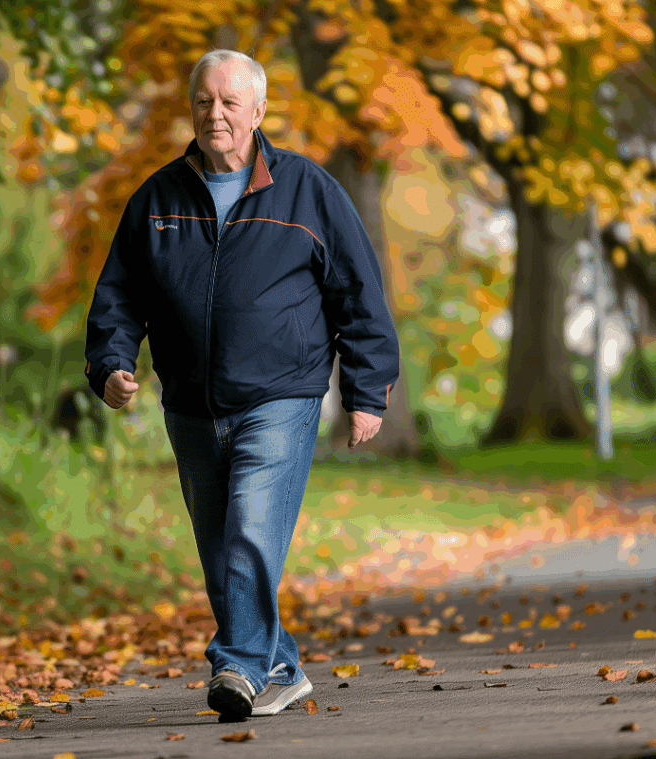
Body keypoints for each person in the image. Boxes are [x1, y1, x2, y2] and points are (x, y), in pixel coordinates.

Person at [83, 49, 400, 720]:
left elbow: (359, 293)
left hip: (280, 395)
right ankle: (279, 665)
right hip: (191, 404)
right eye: (204, 100)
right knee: (221, 553)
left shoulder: (308, 190)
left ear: (258, 112)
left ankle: (236, 668)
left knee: (252, 532)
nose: (215, 113)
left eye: (230, 102)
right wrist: (110, 363)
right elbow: (117, 295)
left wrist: (368, 391)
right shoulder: (157, 198)